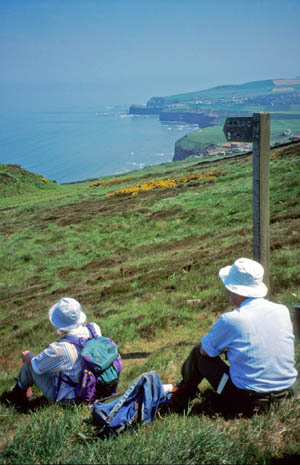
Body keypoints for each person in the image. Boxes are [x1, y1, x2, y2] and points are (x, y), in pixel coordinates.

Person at [170, 258, 298, 415]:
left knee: (198, 353)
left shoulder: (231, 319)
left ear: (238, 290)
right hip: (287, 394)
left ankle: (179, 400)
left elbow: (204, 351)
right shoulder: (282, 310)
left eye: (230, 287)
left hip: (248, 402)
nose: (227, 291)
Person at [1, 297, 101, 408]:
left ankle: (17, 394)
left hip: (73, 400)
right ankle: (21, 393)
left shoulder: (60, 348)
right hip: (95, 388)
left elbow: (36, 366)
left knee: (29, 366)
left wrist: (27, 356)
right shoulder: (94, 329)